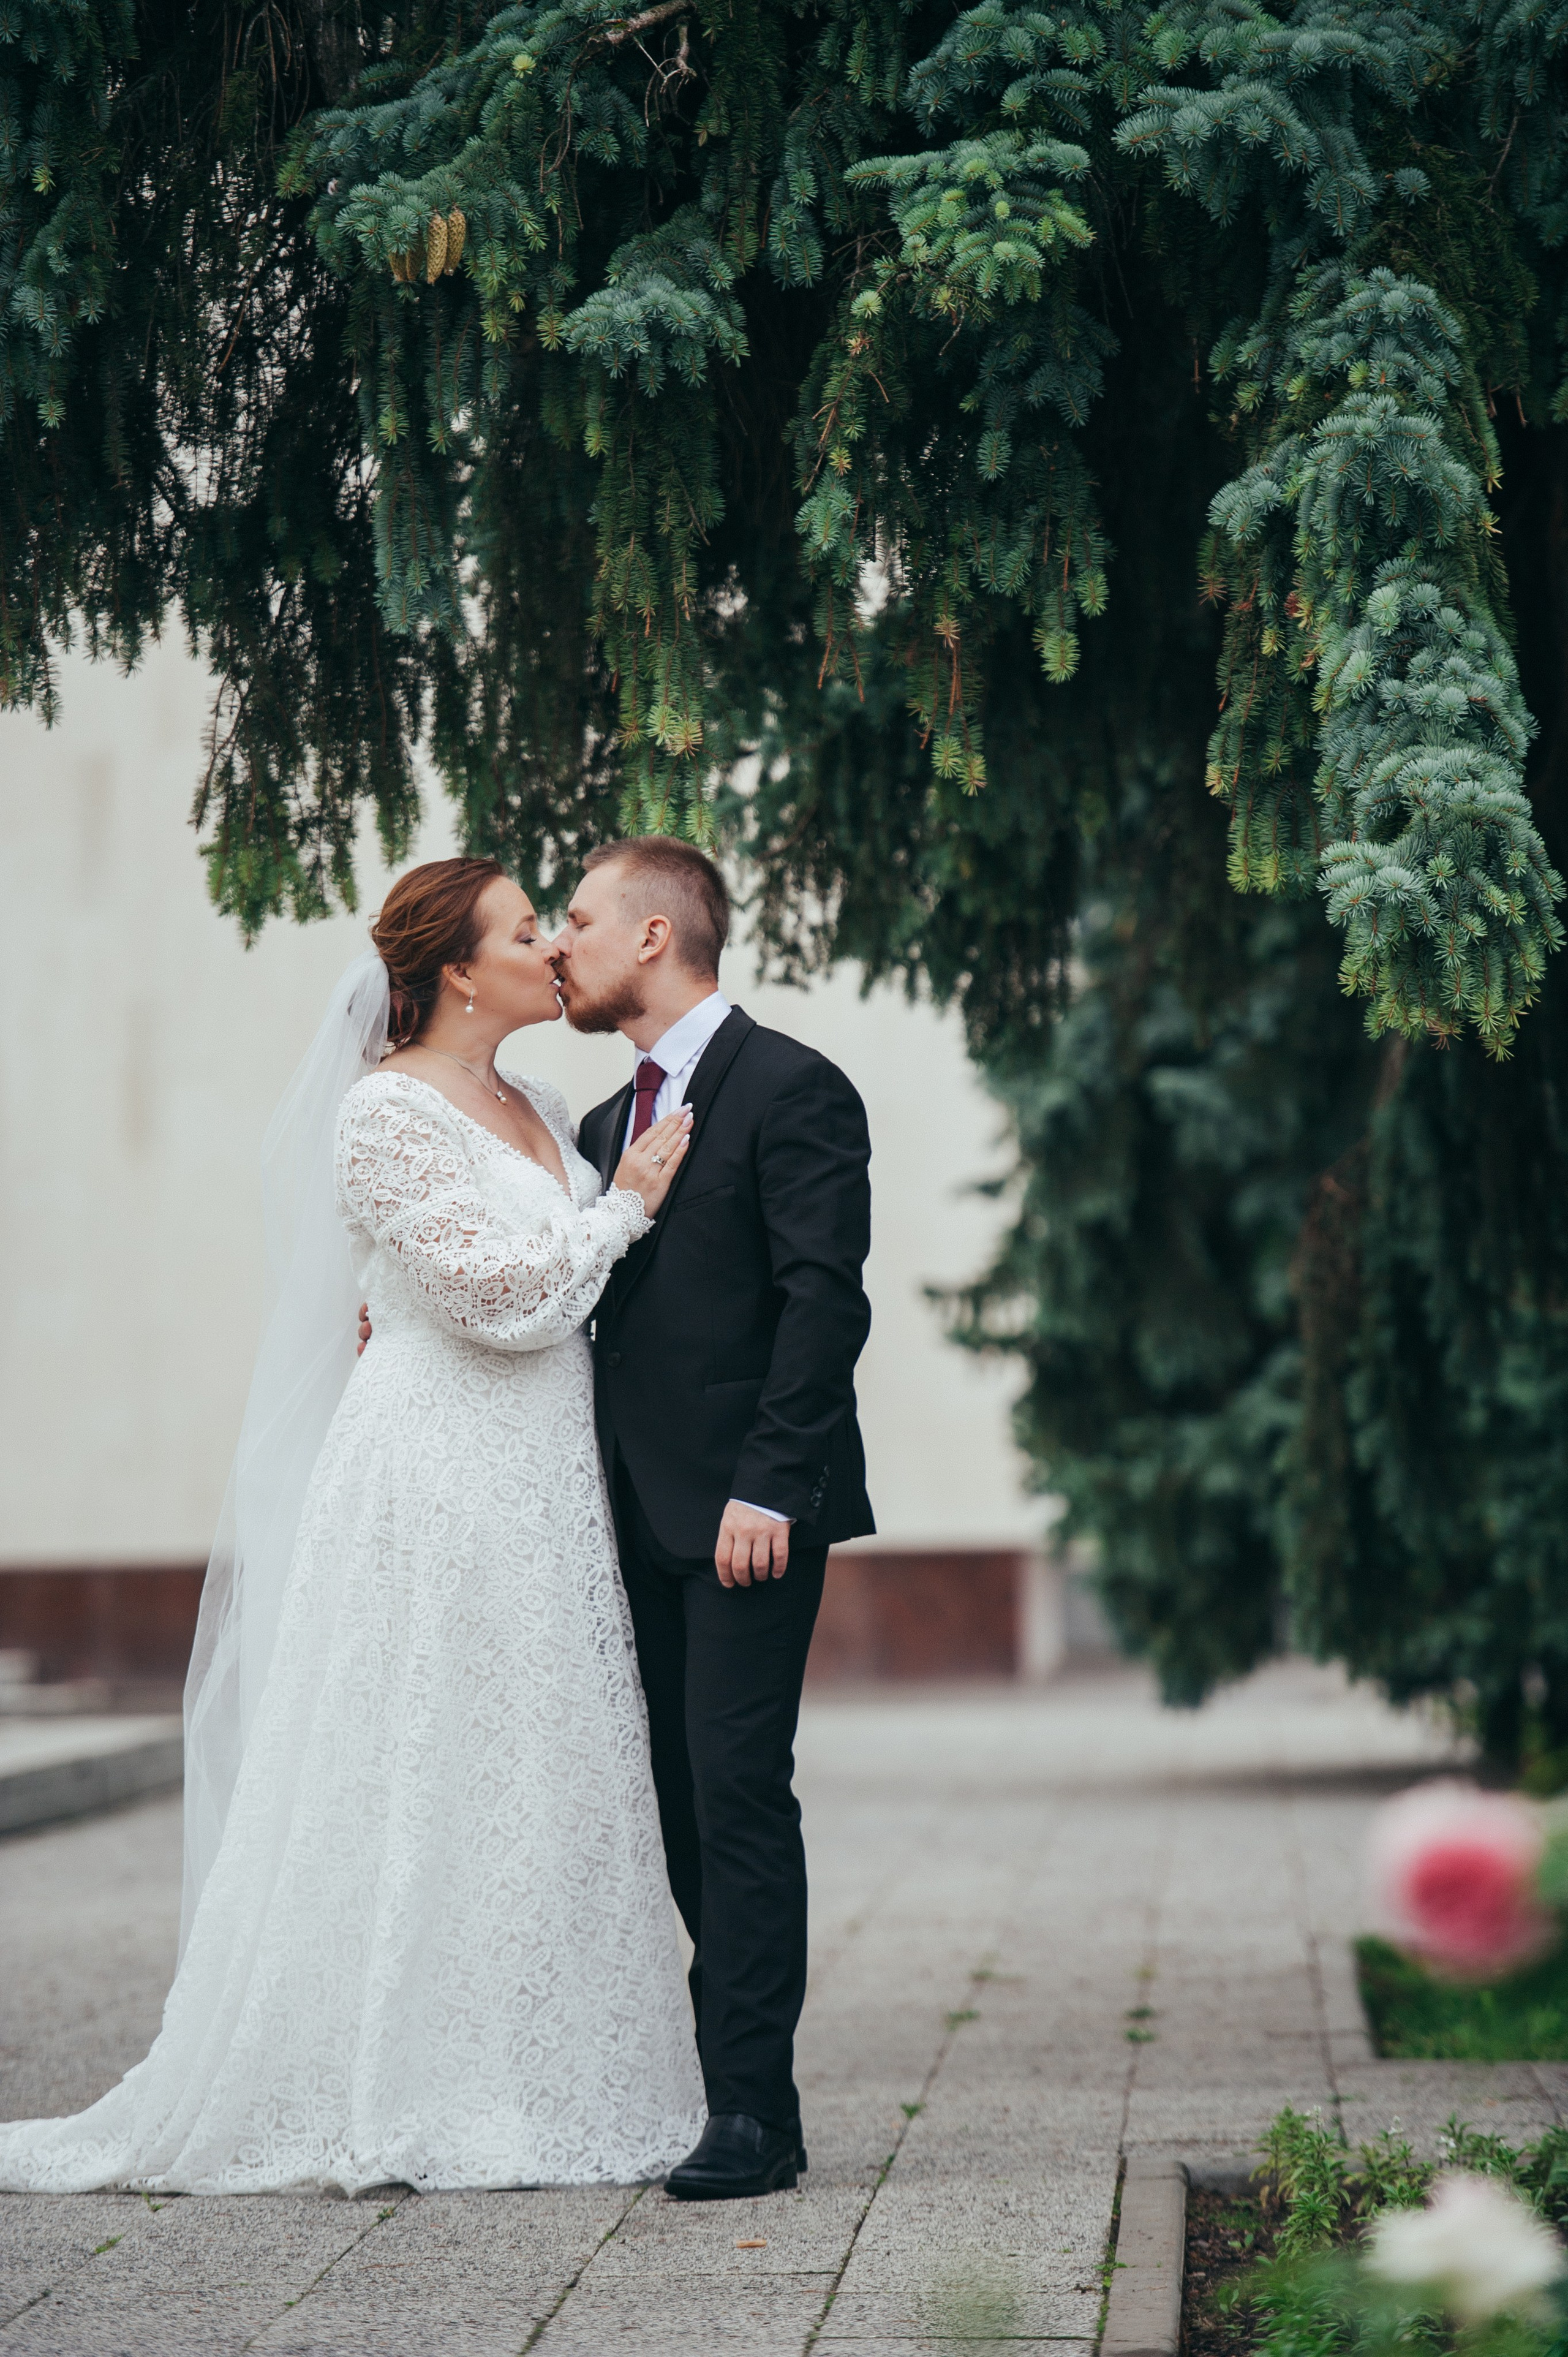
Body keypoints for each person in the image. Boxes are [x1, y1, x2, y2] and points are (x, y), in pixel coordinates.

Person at [0, 858, 707, 2195]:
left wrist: (608, 1222)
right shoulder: (382, 1113)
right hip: (434, 1473)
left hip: (544, 1480)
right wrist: (624, 1208)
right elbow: (493, 1293)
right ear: (455, 970)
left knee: (531, 1770)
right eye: (521, 933)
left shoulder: (546, 1104)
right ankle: (395, 2076)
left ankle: (538, 2069)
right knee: (421, 1758)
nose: (552, 948)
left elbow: (571, 1300)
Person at [559, 838, 875, 2201]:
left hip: (748, 1515)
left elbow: (823, 1303)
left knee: (738, 1793)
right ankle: (711, 2084)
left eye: (574, 918)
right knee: (675, 1807)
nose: (556, 943)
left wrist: (770, 1482)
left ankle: (754, 2114)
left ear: (650, 935)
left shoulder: (793, 1087)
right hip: (619, 1523)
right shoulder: (594, 1131)